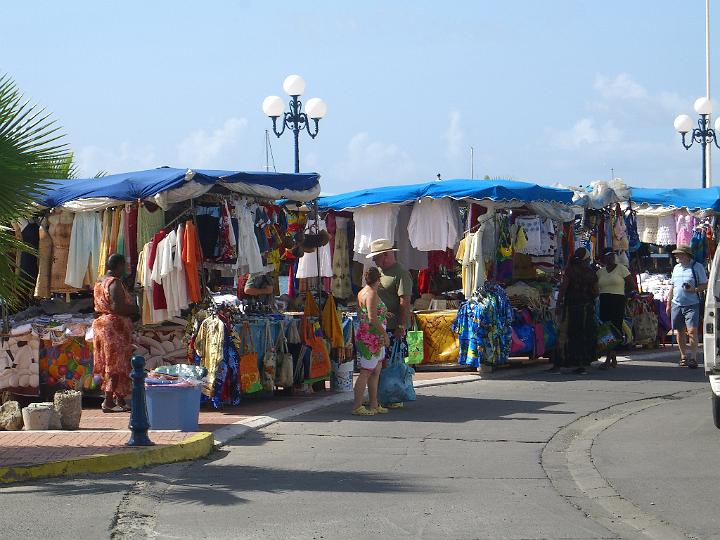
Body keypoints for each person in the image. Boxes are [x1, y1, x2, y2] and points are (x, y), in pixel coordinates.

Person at [92, 253, 139, 413]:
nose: (125, 269)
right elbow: (117, 307)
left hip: (103, 326)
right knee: (115, 364)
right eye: (123, 265)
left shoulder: (99, 282)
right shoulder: (114, 283)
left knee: (111, 362)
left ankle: (119, 399)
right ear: (118, 266)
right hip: (114, 328)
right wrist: (136, 308)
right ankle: (108, 401)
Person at [369, 238, 412, 407]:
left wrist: (401, 325)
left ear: (385, 255)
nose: (373, 260)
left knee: (393, 362)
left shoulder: (400, 273)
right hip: (382, 325)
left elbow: (405, 301)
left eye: (376, 256)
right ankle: (381, 395)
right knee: (380, 362)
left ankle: (394, 396)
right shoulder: (379, 271)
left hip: (394, 326)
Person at [554, 247, 599, 374]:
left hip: (571, 307)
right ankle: (580, 365)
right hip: (585, 308)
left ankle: (560, 363)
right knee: (581, 335)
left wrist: (558, 304)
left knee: (564, 334)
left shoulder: (570, 271)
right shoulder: (591, 273)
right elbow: (596, 292)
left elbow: (563, 288)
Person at [352, 267, 390, 416]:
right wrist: (384, 334)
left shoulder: (362, 292)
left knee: (376, 370)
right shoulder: (372, 294)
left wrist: (385, 315)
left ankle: (374, 403)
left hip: (370, 335)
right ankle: (357, 406)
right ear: (378, 279)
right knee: (366, 372)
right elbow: (372, 317)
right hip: (371, 337)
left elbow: (368, 313)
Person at [666, 245, 707, 369]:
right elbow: (672, 286)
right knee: (680, 331)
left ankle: (693, 358)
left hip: (692, 303)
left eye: (679, 254)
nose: (676, 256)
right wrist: (668, 303)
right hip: (677, 303)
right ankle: (683, 356)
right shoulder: (676, 268)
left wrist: (694, 289)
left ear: (687, 255)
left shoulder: (697, 267)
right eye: (676, 254)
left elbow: (704, 284)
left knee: (692, 331)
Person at [596, 248, 634, 369]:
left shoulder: (622, 269)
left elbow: (631, 284)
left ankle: (609, 358)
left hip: (617, 300)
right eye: (608, 258)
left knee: (615, 328)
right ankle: (612, 357)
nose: (610, 260)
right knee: (606, 328)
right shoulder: (600, 272)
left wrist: (624, 296)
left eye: (612, 257)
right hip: (604, 300)